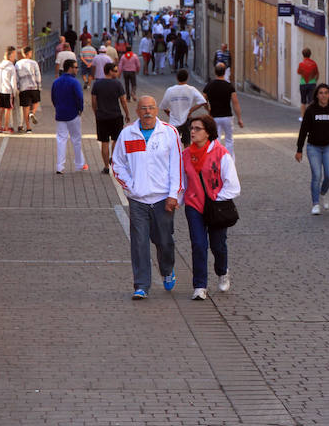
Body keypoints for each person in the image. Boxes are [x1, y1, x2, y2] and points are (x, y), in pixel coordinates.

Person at [110, 96, 183, 300]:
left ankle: (167, 269)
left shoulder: (169, 132)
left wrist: (173, 195)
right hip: (138, 200)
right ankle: (141, 285)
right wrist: (131, 186)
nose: (147, 112)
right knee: (139, 242)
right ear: (137, 111)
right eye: (143, 108)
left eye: (151, 108)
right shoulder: (127, 134)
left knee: (164, 241)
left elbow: (177, 166)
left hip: (163, 199)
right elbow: (117, 163)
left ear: (157, 110)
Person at [182, 115, 241, 300]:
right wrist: (176, 199)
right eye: (191, 128)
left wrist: (217, 199)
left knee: (218, 246)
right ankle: (200, 286)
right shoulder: (185, 155)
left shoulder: (221, 153)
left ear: (208, 132)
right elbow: (182, 181)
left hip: (216, 208)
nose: (193, 132)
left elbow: (233, 185)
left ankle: (222, 271)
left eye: (197, 128)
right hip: (194, 205)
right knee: (199, 245)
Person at [295, 83, 329, 215]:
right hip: (313, 147)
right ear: (317, 95)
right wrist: (299, 149)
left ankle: (323, 192)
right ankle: (315, 204)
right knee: (316, 175)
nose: (323, 95)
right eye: (321, 93)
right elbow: (303, 130)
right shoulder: (311, 110)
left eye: (326, 93)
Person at [92, 62, 130, 175]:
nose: (117, 73)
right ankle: (113, 160)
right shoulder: (117, 84)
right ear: (109, 71)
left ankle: (105, 167)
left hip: (102, 117)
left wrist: (96, 113)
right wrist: (127, 113)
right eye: (115, 71)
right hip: (115, 116)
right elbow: (123, 101)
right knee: (116, 140)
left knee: (104, 141)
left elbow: (94, 101)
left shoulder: (97, 84)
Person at [51, 59, 88, 174]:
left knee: (61, 139)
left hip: (60, 114)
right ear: (70, 68)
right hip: (73, 114)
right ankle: (79, 164)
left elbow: (53, 97)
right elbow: (79, 97)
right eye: (76, 67)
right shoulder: (74, 82)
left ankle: (60, 166)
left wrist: (57, 107)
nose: (77, 69)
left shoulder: (56, 82)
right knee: (76, 140)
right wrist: (80, 109)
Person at [202, 63, 243, 157]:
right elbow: (235, 102)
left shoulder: (209, 85)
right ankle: (230, 160)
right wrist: (239, 118)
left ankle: (216, 159)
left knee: (216, 139)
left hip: (214, 116)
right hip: (227, 116)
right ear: (225, 72)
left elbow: (203, 100)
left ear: (215, 72)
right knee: (229, 140)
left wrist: (208, 109)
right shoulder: (229, 86)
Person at [160, 69, 208, 147]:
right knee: (187, 144)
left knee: (173, 144)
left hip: (174, 122)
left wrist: (169, 113)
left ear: (177, 78)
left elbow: (163, 106)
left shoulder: (170, 90)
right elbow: (203, 101)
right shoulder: (191, 90)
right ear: (187, 78)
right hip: (186, 120)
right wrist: (191, 110)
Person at [15, 46, 42, 133]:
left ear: (23, 53)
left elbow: (16, 77)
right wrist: (39, 85)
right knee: (36, 102)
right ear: (29, 53)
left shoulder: (18, 64)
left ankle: (28, 128)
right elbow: (38, 75)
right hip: (33, 86)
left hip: (23, 88)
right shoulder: (34, 63)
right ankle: (32, 113)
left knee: (25, 108)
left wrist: (18, 86)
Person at [0, 46, 18, 133]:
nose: (15, 57)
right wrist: (14, 91)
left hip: (1, 89)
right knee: (8, 109)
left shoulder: (1, 66)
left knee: (1, 108)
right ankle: (6, 127)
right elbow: (13, 81)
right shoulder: (11, 67)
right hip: (8, 90)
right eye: (14, 55)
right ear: (11, 55)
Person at [297, 48, 320, 121]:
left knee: (303, 101)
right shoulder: (314, 64)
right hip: (312, 84)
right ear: (310, 54)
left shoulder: (301, 64)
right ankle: (311, 117)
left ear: (302, 54)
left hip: (303, 83)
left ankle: (303, 117)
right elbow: (317, 74)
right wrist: (315, 81)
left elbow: (299, 72)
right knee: (311, 101)